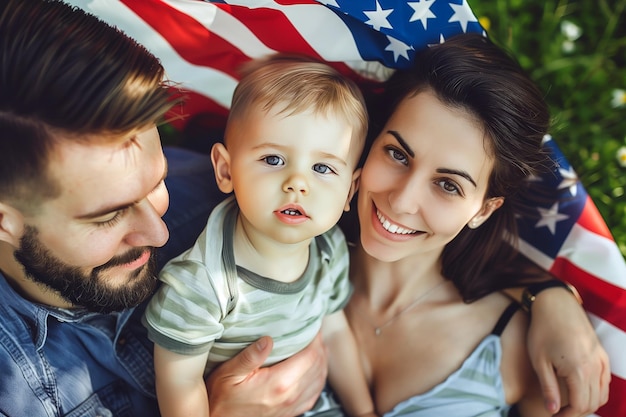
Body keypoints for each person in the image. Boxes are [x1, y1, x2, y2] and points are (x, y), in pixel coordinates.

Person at [0, 1, 608, 416]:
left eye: (154, 185)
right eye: (107, 215)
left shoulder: (249, 203)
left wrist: (549, 295)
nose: (160, 230)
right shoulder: (19, 386)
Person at [142, 55, 376, 417]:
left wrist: (364, 411)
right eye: (273, 160)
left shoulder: (328, 251)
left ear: (349, 191)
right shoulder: (204, 283)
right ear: (225, 169)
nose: (297, 183)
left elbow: (334, 331)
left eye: (322, 168)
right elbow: (180, 383)